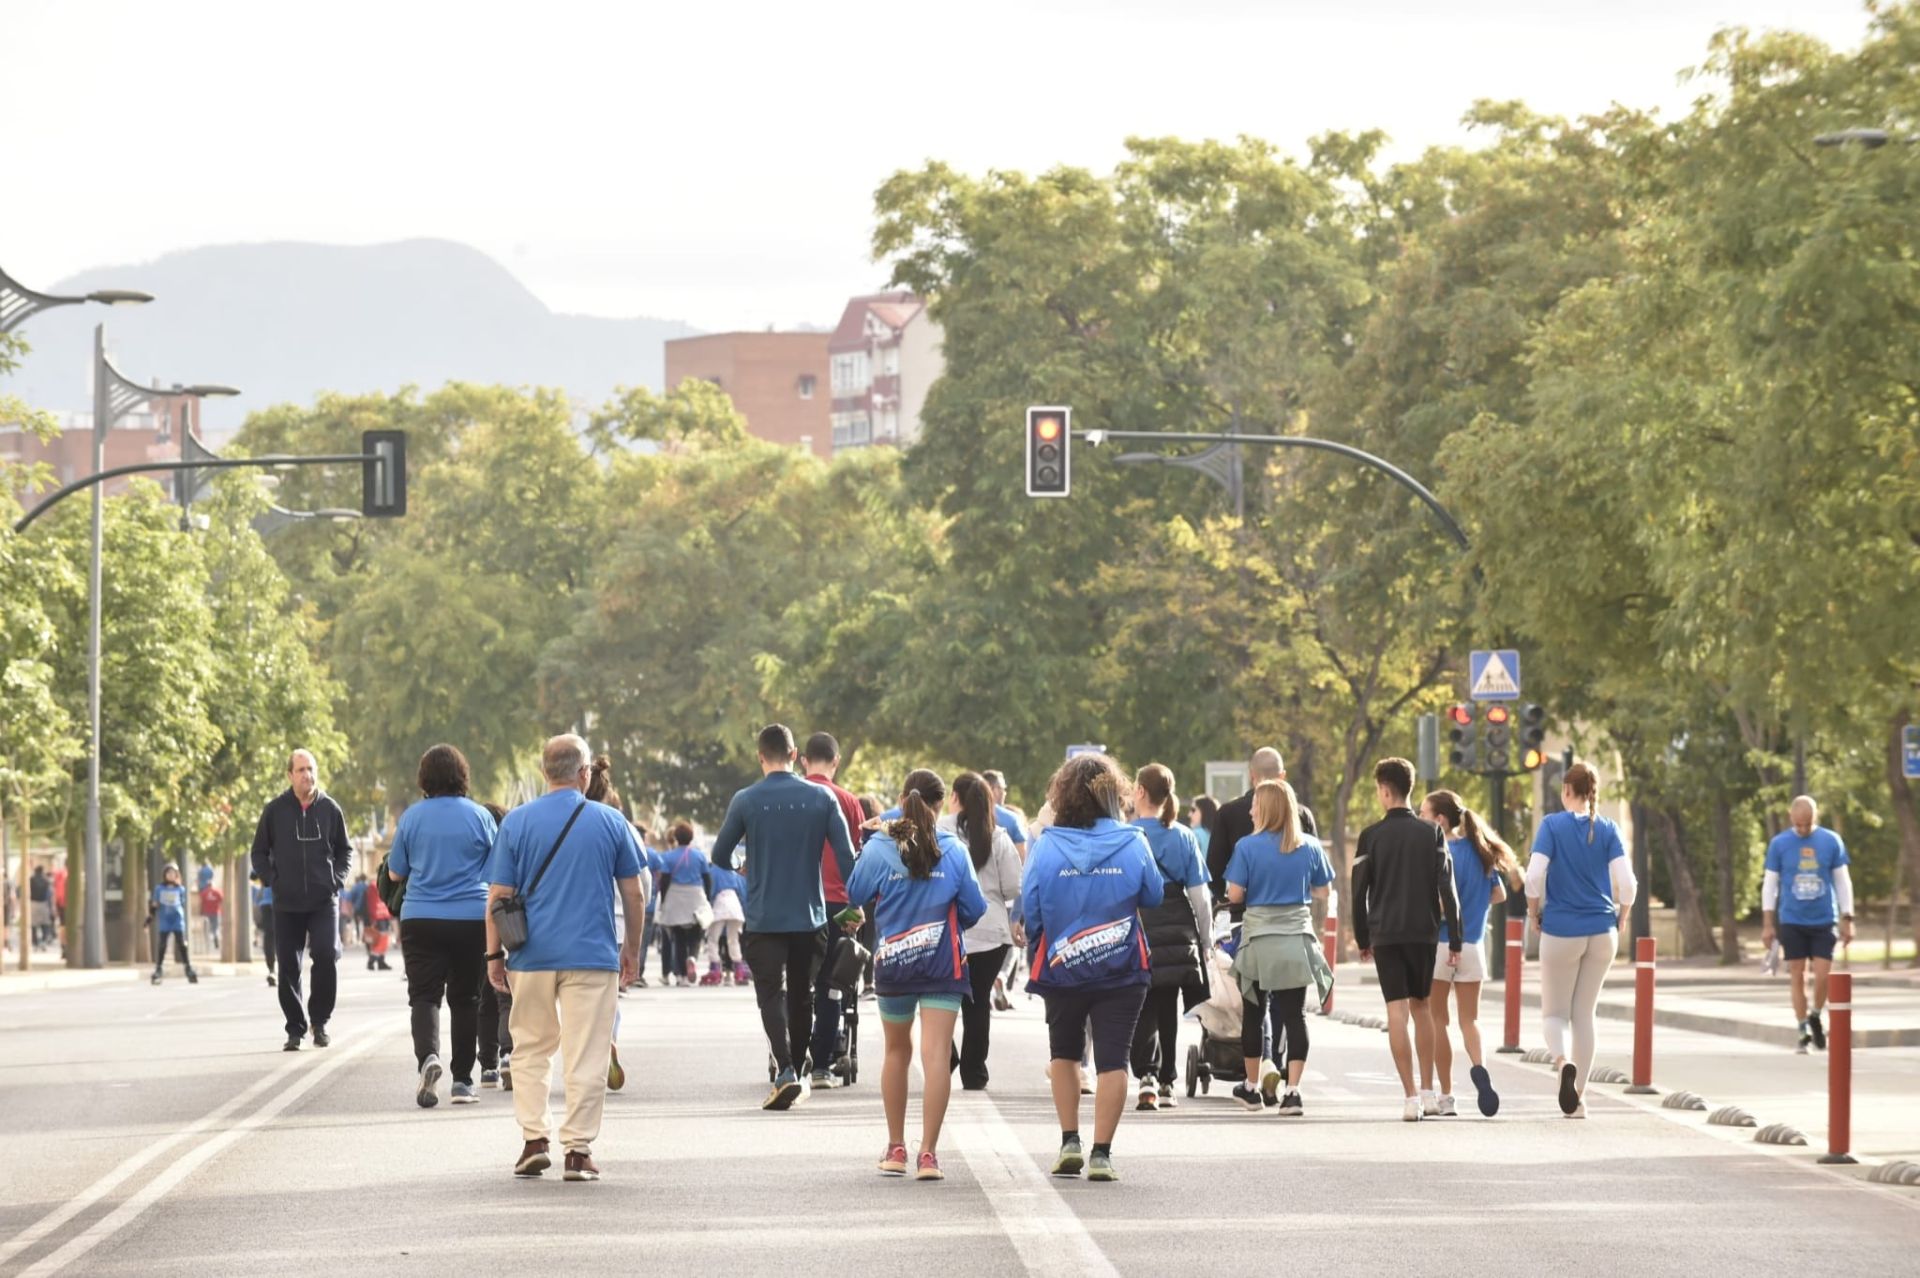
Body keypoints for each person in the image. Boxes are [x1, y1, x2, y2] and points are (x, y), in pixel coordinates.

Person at [485, 734, 645, 1181]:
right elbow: (633, 892)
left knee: (530, 1049)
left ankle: (534, 1140)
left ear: (544, 772)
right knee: (587, 1052)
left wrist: (493, 955)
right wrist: (631, 948)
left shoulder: (516, 822)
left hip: (530, 954)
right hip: (592, 955)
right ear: (584, 773)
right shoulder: (611, 822)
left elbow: (499, 895)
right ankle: (577, 1150)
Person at [1021, 752, 1162, 1183]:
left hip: (1063, 966)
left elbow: (1030, 907)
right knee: (1113, 1060)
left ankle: (1069, 1142)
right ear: (1112, 795)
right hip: (1121, 966)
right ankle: (1102, 1153)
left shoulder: (1046, 845)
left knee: (1063, 1053)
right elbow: (1153, 895)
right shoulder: (1133, 841)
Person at [845, 770, 988, 1180]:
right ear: (942, 804)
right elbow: (975, 909)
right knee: (936, 1055)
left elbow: (854, 893)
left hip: (892, 963)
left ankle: (895, 1148)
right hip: (943, 965)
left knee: (896, 1052)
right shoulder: (956, 851)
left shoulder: (879, 847)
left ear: (902, 798)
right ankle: (929, 1154)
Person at [710, 724, 857, 1110]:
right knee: (803, 996)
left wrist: (742, 864)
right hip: (810, 915)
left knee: (770, 993)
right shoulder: (823, 799)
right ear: (795, 756)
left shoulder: (746, 800)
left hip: (763, 916)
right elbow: (846, 858)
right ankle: (799, 1066)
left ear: (761, 756)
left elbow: (720, 855)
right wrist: (854, 904)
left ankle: (786, 1067)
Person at [386, 744, 498, 1109]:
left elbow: (396, 871)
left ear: (424, 778)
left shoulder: (412, 818)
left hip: (421, 917)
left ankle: (428, 1058)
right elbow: (498, 869)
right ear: (462, 775)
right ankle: (463, 1081)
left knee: (424, 995)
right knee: (466, 998)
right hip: (471, 917)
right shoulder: (480, 816)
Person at [1351, 757, 1462, 1122]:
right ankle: (1430, 1091)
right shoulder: (1432, 833)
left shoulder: (1370, 837)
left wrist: (1363, 936)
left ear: (1385, 790)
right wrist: (1456, 937)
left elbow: (1358, 892)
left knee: (1395, 1010)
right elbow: (1448, 888)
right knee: (1423, 1007)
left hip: (1385, 933)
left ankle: (1410, 1097)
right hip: (1423, 931)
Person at [1527, 762, 1635, 1118]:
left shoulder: (1551, 826)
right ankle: (1579, 1098)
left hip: (1561, 929)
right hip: (1603, 931)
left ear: (1566, 792)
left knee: (1554, 1014)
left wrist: (1533, 912)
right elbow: (1628, 884)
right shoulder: (1608, 829)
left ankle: (1561, 1064)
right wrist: (1622, 914)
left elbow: (1534, 877)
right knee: (1585, 1014)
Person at [1225, 780, 1333, 1115]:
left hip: (1258, 941)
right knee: (1295, 1016)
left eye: (1255, 803)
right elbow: (1323, 891)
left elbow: (1235, 895)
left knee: (1254, 1016)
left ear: (1266, 808)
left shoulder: (1246, 847)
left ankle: (1252, 1089)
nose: (1250, 809)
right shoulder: (1310, 846)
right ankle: (1293, 1092)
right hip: (1295, 939)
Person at [1418, 789, 1519, 1118]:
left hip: (1441, 945)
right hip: (1473, 945)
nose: (1420, 819)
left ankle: (1446, 1096)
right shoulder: (1479, 851)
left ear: (1440, 819)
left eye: (1423, 813)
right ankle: (1479, 1067)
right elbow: (1500, 894)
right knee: (1469, 1020)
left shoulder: (1437, 850)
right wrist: (1474, 907)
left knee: (1437, 1020)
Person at [249, 749, 352, 1051]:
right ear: (290, 775)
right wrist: (272, 879)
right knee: (289, 966)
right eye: (301, 770)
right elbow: (258, 852)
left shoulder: (330, 809)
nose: (307, 774)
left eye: (311, 769)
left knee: (325, 955)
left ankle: (319, 1022)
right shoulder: (275, 810)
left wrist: (337, 879)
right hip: (287, 902)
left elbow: (345, 850)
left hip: (323, 900)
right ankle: (295, 1028)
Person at [1127, 764, 1213, 1112]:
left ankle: (1145, 1076)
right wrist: (1205, 942)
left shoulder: (1126, 835)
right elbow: (1201, 897)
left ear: (1142, 793)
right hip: (1177, 926)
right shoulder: (1183, 836)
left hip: (1138, 924)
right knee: (1168, 1004)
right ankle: (1166, 1082)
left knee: (1140, 1002)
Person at [944, 770, 1024, 1091]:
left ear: (955, 797)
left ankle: (945, 1054)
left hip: (948, 930)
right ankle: (974, 1072)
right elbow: (1012, 888)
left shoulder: (941, 831)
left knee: (943, 999)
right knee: (977, 1006)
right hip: (990, 932)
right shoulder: (999, 837)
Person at [1761, 795, 1854, 1054]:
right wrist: (1768, 923)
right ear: (1791, 818)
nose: (1803, 829)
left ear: (1816, 817)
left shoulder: (1831, 841)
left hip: (1824, 918)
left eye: (1808, 824)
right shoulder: (1779, 844)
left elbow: (1843, 882)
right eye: (1798, 824)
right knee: (1797, 974)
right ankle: (1802, 1029)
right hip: (1792, 919)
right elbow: (1770, 885)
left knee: (1824, 975)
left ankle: (1815, 1013)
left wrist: (1848, 918)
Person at [800, 732, 867, 1089]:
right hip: (839, 904)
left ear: (803, 760)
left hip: (796, 903)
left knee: (796, 982)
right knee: (831, 984)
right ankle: (823, 1064)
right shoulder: (849, 802)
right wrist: (856, 906)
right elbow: (853, 857)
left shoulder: (792, 797)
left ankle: (792, 1057)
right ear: (836, 761)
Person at [1208, 748, 1317, 911]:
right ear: (1283, 776)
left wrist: (1228, 900)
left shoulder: (1227, 813)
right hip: (1293, 917)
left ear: (1252, 776)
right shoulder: (1302, 815)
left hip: (1244, 915)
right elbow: (1314, 874)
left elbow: (1214, 871)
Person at [477, 801, 513, 1090]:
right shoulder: (507, 849)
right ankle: (508, 1053)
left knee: (482, 999)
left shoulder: (472, 847)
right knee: (504, 995)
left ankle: (487, 1065)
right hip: (503, 920)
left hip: (471, 920)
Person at [655, 822, 712, 987]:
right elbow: (707, 879)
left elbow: (664, 880)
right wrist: (706, 898)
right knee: (697, 932)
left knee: (678, 936)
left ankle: (682, 977)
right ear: (691, 837)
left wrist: (664, 900)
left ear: (676, 838)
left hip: (675, 895)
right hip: (695, 895)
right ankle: (692, 958)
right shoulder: (700, 856)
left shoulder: (669, 856)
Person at [148, 863, 198, 985]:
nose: (171, 875)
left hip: (177, 920)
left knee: (182, 944)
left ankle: (188, 968)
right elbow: (155, 905)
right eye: (168, 873)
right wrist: (149, 919)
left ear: (177, 875)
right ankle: (158, 969)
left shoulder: (180, 889)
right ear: (165, 875)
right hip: (165, 920)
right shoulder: (159, 889)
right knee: (162, 945)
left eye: (173, 873)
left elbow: (181, 903)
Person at [703, 862, 749, 983]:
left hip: (720, 904)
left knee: (713, 939)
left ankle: (715, 969)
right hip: (735, 906)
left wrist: (708, 905)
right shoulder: (733, 872)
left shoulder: (712, 871)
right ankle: (739, 970)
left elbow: (710, 890)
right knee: (733, 940)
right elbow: (742, 893)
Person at [980, 770, 1030, 855]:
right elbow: (1022, 858)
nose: (1004, 793)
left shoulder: (963, 816)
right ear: (990, 788)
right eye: (1001, 788)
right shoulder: (1012, 819)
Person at [254, 881, 277, 987]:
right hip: (281, 901)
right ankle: (273, 969)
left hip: (268, 902)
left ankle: (272, 969)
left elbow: (254, 874)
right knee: (276, 936)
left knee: (270, 936)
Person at [1188, 795, 1218, 861]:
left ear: (1205, 811)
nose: (1189, 814)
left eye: (1193, 810)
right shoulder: (1220, 835)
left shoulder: (1194, 835)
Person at [29, 866, 54, 950]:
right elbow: (50, 894)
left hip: (33, 903)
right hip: (44, 903)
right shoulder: (46, 880)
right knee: (45, 924)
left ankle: (35, 943)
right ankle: (43, 941)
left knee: (33, 925)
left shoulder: (31, 879)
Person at [199, 878, 224, 952]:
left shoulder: (204, 893)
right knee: (215, 927)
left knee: (207, 928)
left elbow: (201, 903)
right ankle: (215, 936)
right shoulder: (218, 892)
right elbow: (222, 901)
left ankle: (208, 942)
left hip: (207, 912)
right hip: (216, 912)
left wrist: (200, 911)